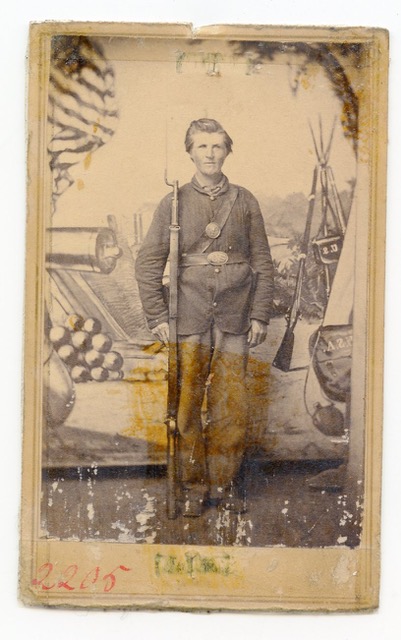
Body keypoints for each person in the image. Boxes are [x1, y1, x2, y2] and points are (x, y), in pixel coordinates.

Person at [135, 118, 274, 517]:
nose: (210, 154)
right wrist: (157, 315)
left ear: (227, 151)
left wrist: (259, 314)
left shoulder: (245, 201)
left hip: (235, 316)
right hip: (189, 316)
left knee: (231, 404)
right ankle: (194, 486)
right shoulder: (173, 203)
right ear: (190, 152)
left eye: (217, 146)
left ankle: (223, 485)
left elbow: (263, 262)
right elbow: (148, 264)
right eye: (202, 147)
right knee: (186, 405)